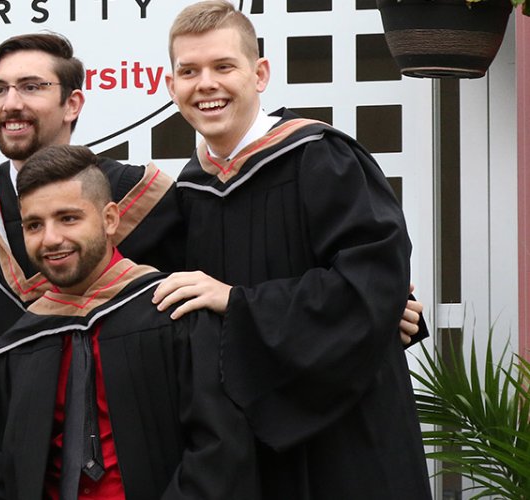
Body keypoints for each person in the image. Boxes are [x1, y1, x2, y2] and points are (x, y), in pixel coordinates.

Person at [153, 2, 429, 497]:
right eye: (188, 71)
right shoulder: (189, 193)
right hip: (245, 447)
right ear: (170, 87)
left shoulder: (323, 158)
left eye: (223, 66)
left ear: (260, 74)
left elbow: (372, 286)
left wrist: (236, 302)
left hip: (348, 437)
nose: (206, 84)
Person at [0, 145, 259, 500]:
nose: (51, 238)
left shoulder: (174, 314)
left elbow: (220, 452)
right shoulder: (21, 345)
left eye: (68, 218)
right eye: (34, 225)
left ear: (110, 219)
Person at [0, 33, 185, 402]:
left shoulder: (141, 198)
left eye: (31, 87)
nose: (10, 104)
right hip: (1, 436)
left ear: (72, 104)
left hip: (122, 426)